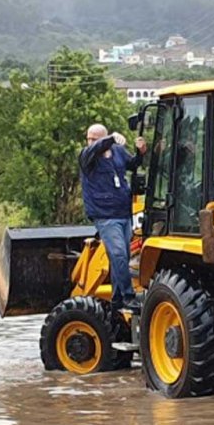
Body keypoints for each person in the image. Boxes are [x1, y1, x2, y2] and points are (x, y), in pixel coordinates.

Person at [79, 123, 147, 312]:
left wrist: (140, 152)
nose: (90, 142)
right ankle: (128, 296)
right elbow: (94, 149)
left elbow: (133, 164)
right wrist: (109, 139)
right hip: (105, 215)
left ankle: (117, 299)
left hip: (123, 212)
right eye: (89, 139)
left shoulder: (117, 152)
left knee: (121, 257)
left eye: (94, 139)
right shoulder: (87, 157)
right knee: (118, 254)